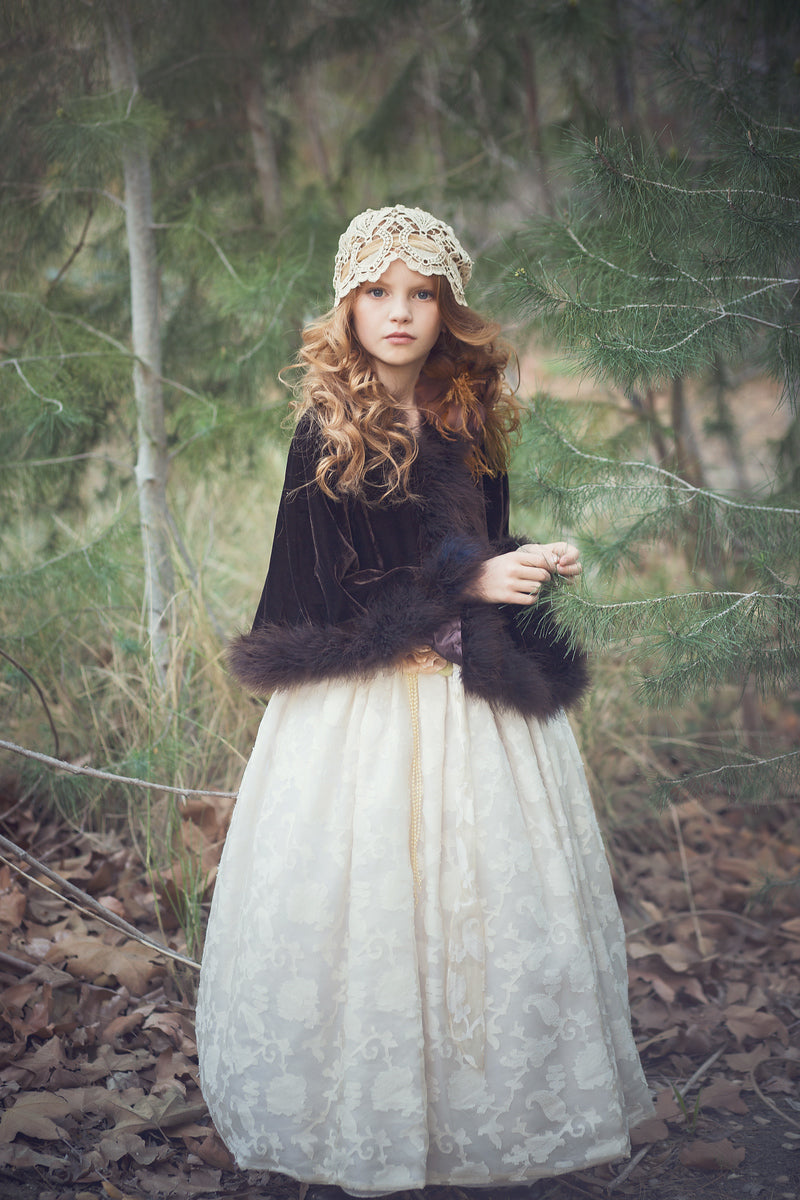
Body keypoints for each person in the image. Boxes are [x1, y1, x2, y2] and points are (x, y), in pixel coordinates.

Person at [195, 204, 653, 1197]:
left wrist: (520, 561)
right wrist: (467, 582)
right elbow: (326, 590)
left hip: (464, 700)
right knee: (365, 904)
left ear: (447, 310)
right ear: (348, 306)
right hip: (359, 707)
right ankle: (363, 1115)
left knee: (478, 906)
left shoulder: (467, 421)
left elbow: (467, 548)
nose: (398, 312)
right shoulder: (325, 431)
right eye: (377, 292)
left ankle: (473, 1118)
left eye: (421, 294)